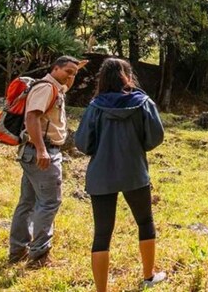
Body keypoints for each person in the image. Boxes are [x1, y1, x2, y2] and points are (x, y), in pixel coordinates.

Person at [75, 58, 166, 291]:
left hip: (101, 175)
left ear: (102, 78)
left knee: (102, 233)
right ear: (127, 75)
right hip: (135, 172)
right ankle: (149, 275)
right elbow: (155, 137)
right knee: (145, 222)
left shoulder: (95, 106)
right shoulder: (143, 103)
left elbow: (83, 143)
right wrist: (136, 145)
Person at [9, 55, 84, 267]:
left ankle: (18, 251)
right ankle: (39, 256)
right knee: (50, 202)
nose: (71, 76)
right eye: (67, 71)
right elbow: (31, 118)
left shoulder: (57, 87)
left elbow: (66, 84)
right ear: (55, 68)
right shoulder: (46, 88)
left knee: (28, 202)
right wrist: (42, 150)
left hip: (35, 152)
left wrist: (76, 68)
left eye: (75, 74)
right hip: (42, 152)